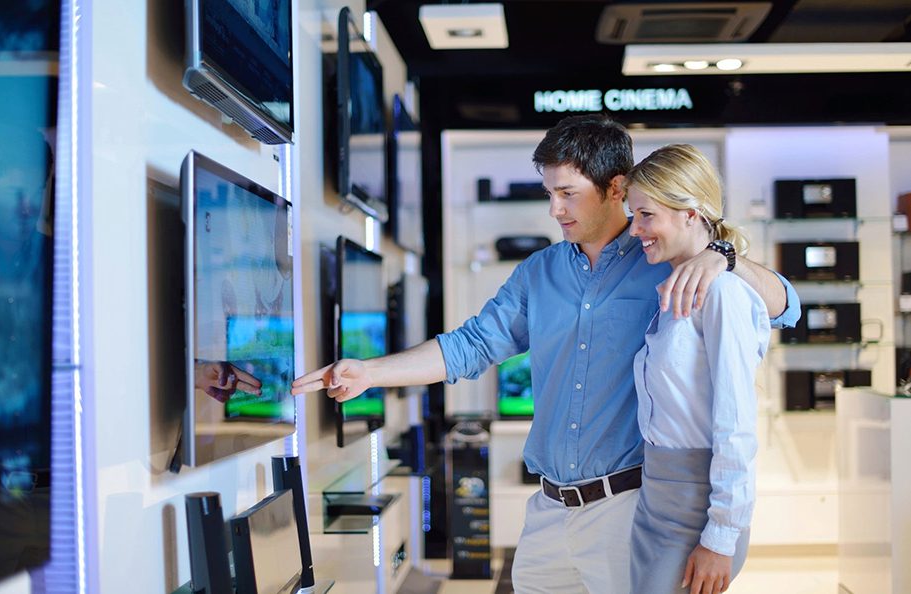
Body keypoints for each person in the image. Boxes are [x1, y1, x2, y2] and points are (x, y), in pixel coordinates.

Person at [292, 114, 800, 593]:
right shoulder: (538, 272)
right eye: (549, 194)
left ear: (616, 188)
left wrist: (724, 256)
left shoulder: (664, 257)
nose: (555, 209)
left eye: (567, 194)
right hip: (548, 512)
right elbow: (470, 346)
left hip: (628, 507)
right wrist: (369, 373)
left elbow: (785, 307)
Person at [625, 144, 768, 594]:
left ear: (690, 211)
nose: (635, 230)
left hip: (697, 507)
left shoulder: (724, 293)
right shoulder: (673, 290)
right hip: (656, 499)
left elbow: (737, 423)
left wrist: (721, 537)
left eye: (646, 215)